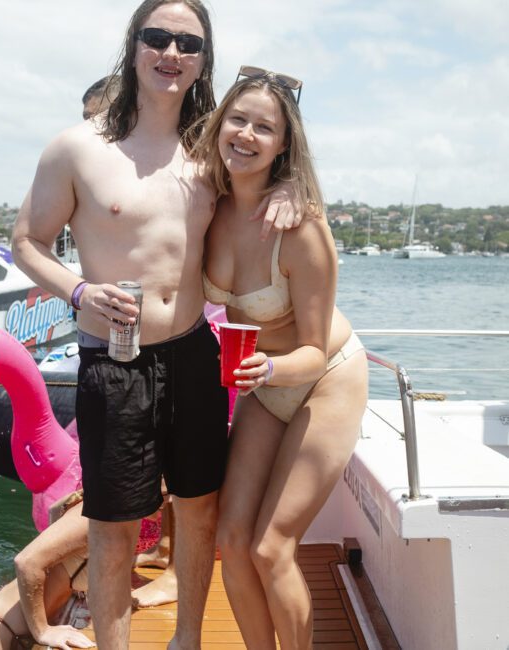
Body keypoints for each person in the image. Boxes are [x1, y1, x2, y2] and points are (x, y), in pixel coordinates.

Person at [11, 2, 299, 648]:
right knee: (112, 529)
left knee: (198, 512)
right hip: (114, 362)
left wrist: (288, 190)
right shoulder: (77, 149)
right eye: (158, 37)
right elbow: (26, 242)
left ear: (203, 60)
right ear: (135, 45)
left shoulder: (212, 151)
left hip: (194, 355)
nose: (172, 53)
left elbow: (274, 159)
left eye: (188, 44)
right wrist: (79, 289)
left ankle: (187, 641)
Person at [191, 66, 369, 650]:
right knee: (233, 540)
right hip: (263, 382)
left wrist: (266, 369)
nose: (245, 134)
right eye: (236, 120)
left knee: (272, 547)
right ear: (219, 126)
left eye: (262, 127)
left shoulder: (300, 227)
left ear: (283, 143)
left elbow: (315, 350)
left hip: (323, 377)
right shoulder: (207, 207)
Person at [0, 492, 94, 650]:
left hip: (11, 625)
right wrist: (43, 631)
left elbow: (55, 512)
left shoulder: (103, 507)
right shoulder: (94, 513)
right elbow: (26, 562)